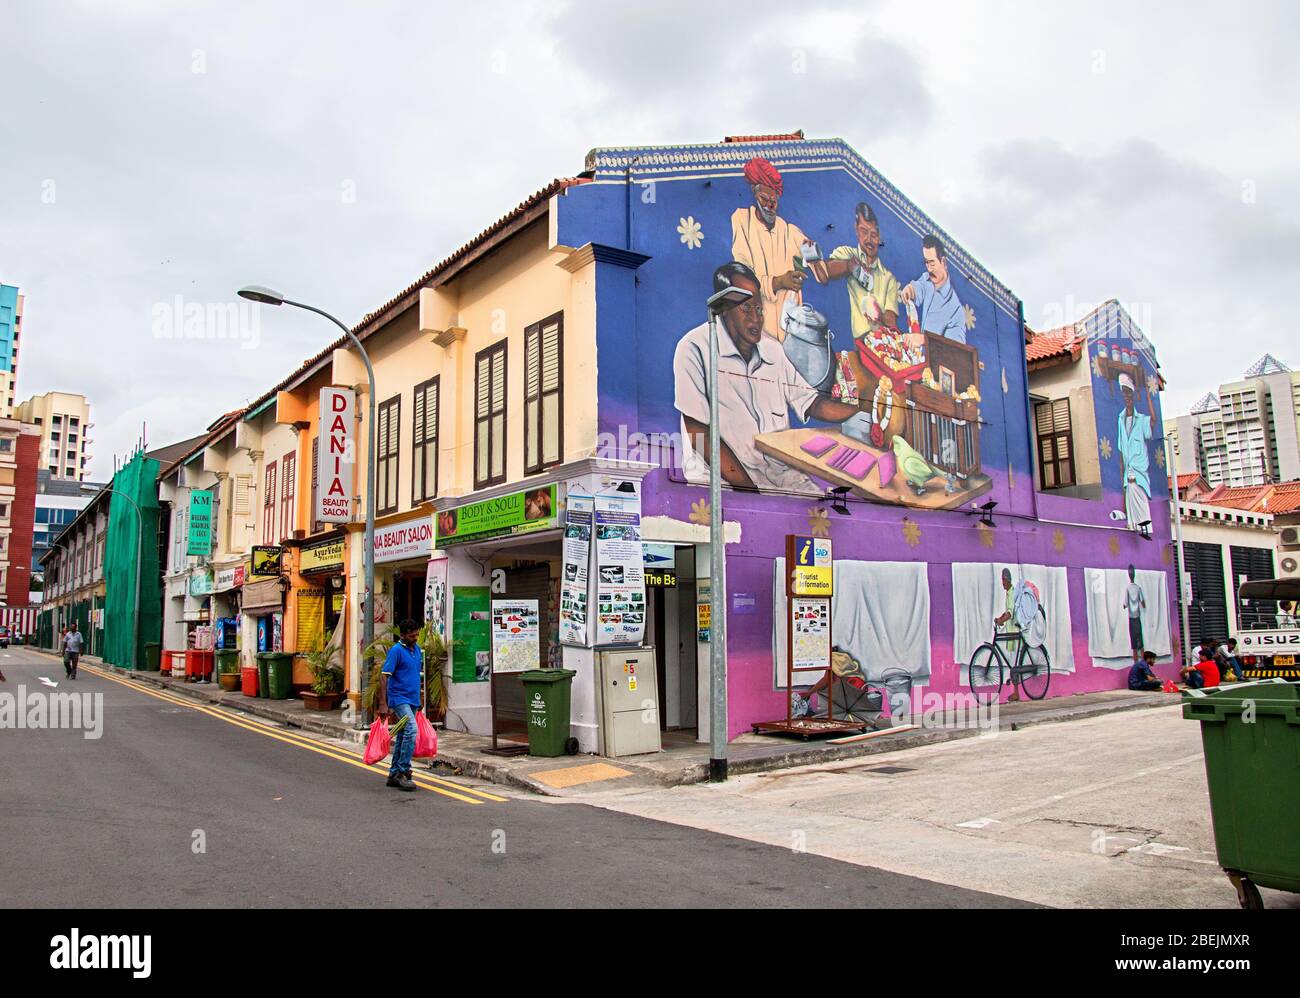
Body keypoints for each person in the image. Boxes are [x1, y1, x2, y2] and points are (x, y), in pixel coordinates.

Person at [674, 261, 868, 492]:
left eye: (758, 308)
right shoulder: (694, 348)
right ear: (723, 308)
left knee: (825, 512)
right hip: (722, 483)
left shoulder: (773, 349)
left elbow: (812, 403)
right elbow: (699, 432)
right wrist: (751, 493)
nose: (755, 318)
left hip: (778, 475)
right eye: (746, 309)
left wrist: (864, 412)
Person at [729, 157, 816, 343]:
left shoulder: (790, 231)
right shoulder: (742, 220)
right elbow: (743, 280)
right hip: (757, 337)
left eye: (773, 201)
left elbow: (818, 263)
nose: (769, 206)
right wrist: (779, 282)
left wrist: (816, 258)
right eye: (764, 199)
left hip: (790, 337)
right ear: (754, 193)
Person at [816, 202, 900, 343]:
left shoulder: (888, 278)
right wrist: (849, 267)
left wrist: (878, 312)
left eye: (873, 234)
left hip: (882, 344)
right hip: (857, 343)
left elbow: (891, 320)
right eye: (863, 231)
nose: (869, 239)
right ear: (856, 230)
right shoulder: (847, 254)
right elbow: (826, 270)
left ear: (879, 237)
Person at [375, 618, 424, 792]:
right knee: (411, 729)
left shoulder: (417, 650)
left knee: (403, 735)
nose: (416, 637)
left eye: (417, 634)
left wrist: (420, 699)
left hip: (412, 699)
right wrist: (383, 703)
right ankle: (403, 771)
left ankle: (394, 773)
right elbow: (384, 676)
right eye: (412, 635)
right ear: (402, 635)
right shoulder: (396, 651)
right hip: (399, 699)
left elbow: (416, 675)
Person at [898, 234, 967, 343]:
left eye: (932, 263)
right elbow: (918, 288)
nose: (929, 269)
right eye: (926, 262)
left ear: (943, 262)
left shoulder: (956, 312)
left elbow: (954, 351)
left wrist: (924, 341)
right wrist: (910, 290)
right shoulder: (927, 280)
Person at [1116, 372, 1155, 531]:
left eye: (1129, 393)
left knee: (1144, 514)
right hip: (1128, 477)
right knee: (1132, 518)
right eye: (1124, 393)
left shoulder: (1141, 420)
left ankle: (1145, 529)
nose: (1127, 397)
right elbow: (1121, 452)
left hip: (1140, 476)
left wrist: (1148, 398)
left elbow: (1153, 422)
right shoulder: (1120, 419)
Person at [1122, 564, 1146, 662]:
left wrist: (1123, 606)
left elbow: (1125, 604)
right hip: (1138, 617)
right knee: (1140, 640)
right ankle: (1144, 661)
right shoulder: (1138, 588)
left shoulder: (1127, 588)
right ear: (1134, 574)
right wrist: (1143, 605)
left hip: (1131, 618)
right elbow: (1143, 602)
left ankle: (1136, 662)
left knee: (1134, 643)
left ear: (1129, 575)